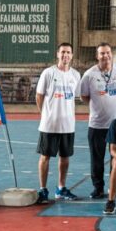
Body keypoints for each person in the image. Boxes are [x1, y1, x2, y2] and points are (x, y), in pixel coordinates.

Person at [79, 42, 116, 199]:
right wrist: (100, 105)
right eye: (102, 53)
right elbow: (84, 96)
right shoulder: (89, 75)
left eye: (108, 52)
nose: (106, 55)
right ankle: (98, 188)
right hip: (97, 124)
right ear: (97, 56)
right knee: (97, 159)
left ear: (111, 54)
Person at [34, 42, 81, 203]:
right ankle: (43, 189)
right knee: (45, 157)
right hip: (49, 125)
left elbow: (77, 96)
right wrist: (44, 114)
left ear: (72, 55)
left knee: (65, 157)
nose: (65, 55)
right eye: (63, 52)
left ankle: (61, 188)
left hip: (68, 125)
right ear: (57, 54)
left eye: (68, 52)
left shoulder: (76, 75)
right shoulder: (48, 73)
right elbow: (39, 96)